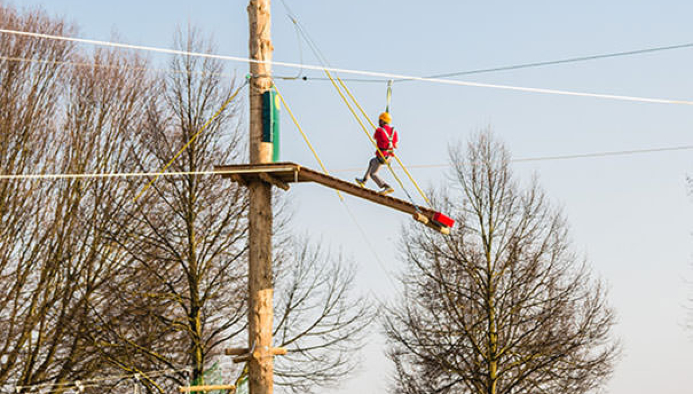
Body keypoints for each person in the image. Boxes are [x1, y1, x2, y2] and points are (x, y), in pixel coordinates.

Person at [355, 112, 398, 194]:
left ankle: (386, 186)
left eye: (380, 120)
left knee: (373, 174)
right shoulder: (393, 132)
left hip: (382, 156)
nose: (378, 122)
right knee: (372, 162)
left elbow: (375, 137)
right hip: (389, 157)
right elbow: (395, 145)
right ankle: (363, 181)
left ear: (383, 121)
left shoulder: (379, 130)